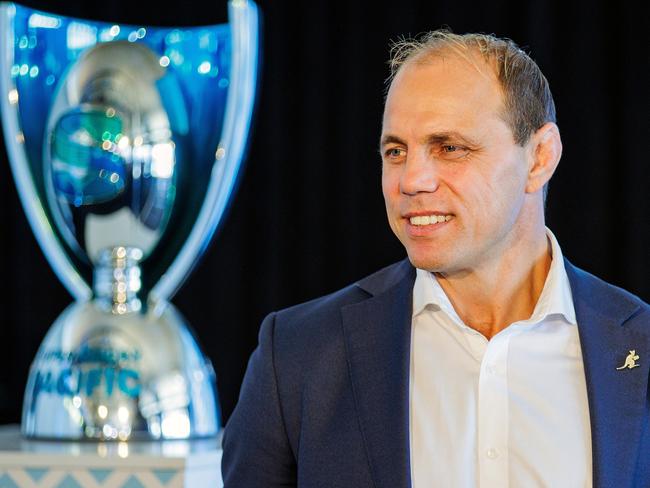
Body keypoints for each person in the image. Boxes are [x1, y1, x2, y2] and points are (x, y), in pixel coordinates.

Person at [221, 30, 650, 488]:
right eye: (396, 151)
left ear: (540, 157)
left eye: (449, 148)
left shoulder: (639, 347)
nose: (412, 180)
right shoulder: (298, 356)